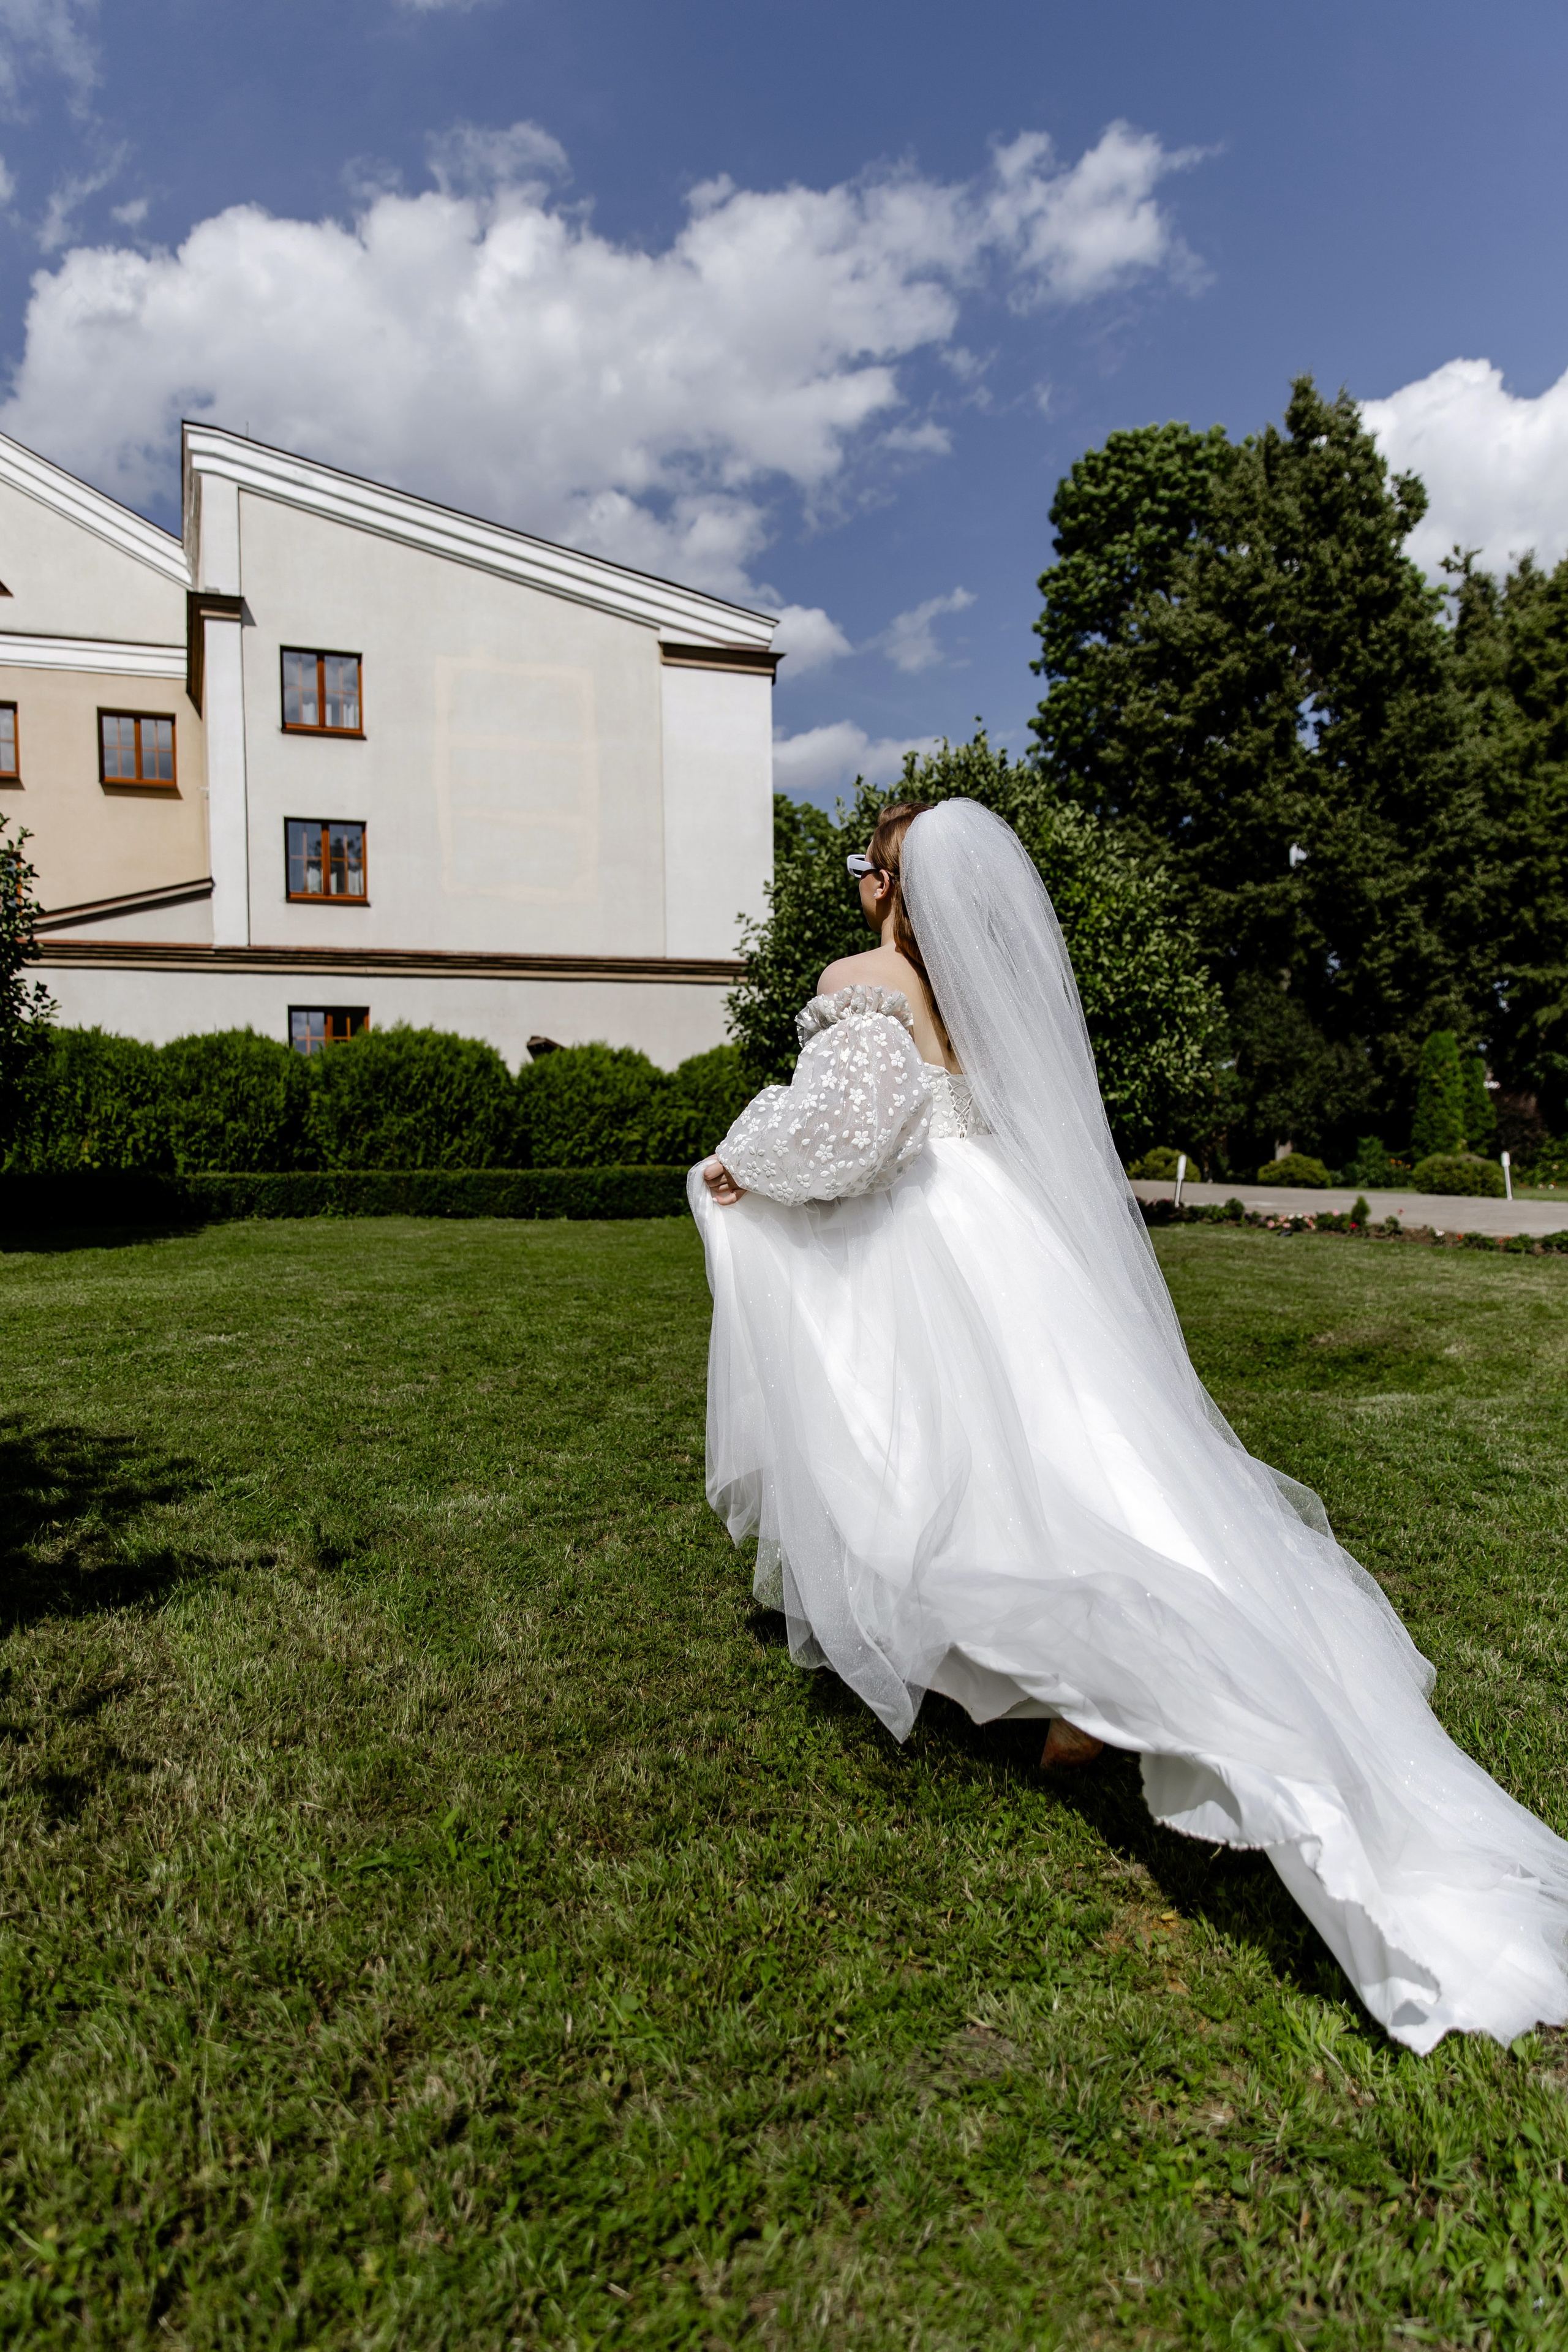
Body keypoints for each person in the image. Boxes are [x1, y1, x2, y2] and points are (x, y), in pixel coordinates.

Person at [688, 797, 1568, 2054]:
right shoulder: (978, 996)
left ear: (888, 885)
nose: (859, 892)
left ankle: (1089, 1666)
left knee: (939, 1473)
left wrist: (742, 1158)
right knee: (1080, 1462)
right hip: (1009, 1246)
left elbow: (849, 1141)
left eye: (862, 870)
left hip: (926, 1248)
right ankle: (1101, 1683)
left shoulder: (864, 979)